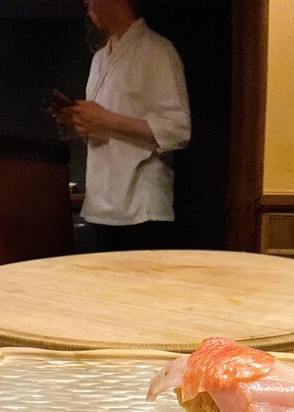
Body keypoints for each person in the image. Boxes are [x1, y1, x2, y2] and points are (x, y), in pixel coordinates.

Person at [59, 0, 191, 251]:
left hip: (141, 206)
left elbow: (178, 130)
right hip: (101, 200)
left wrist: (105, 119)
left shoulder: (157, 50)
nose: (87, 4)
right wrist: (84, 123)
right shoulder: (99, 59)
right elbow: (103, 127)